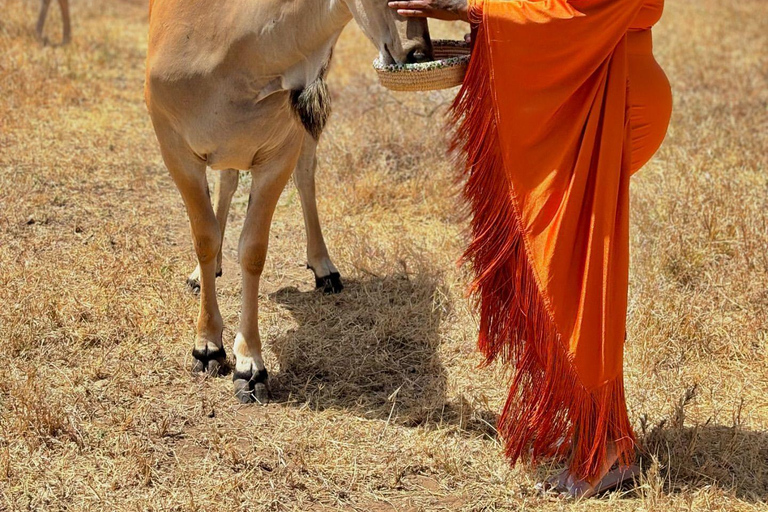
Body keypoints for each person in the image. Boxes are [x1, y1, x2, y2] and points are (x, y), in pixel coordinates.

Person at [388, 0, 672, 499]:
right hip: (577, 85)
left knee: (570, 271)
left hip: (603, 92)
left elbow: (584, 11)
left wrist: (471, 7)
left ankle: (603, 447)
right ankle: (602, 431)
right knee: (561, 265)